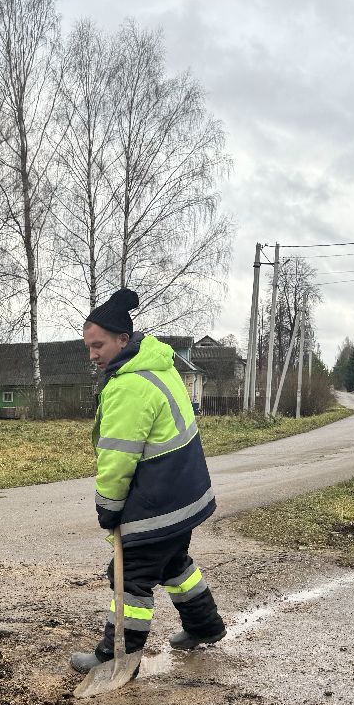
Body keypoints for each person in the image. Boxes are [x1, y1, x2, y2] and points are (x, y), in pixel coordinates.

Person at [69, 288, 227, 674]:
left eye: (98, 345)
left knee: (130, 575)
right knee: (173, 562)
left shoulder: (129, 385)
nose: (92, 355)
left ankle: (119, 656)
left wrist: (108, 507)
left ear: (123, 339)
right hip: (186, 491)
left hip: (159, 498)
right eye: (89, 347)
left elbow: (117, 459)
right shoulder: (159, 365)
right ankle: (204, 625)